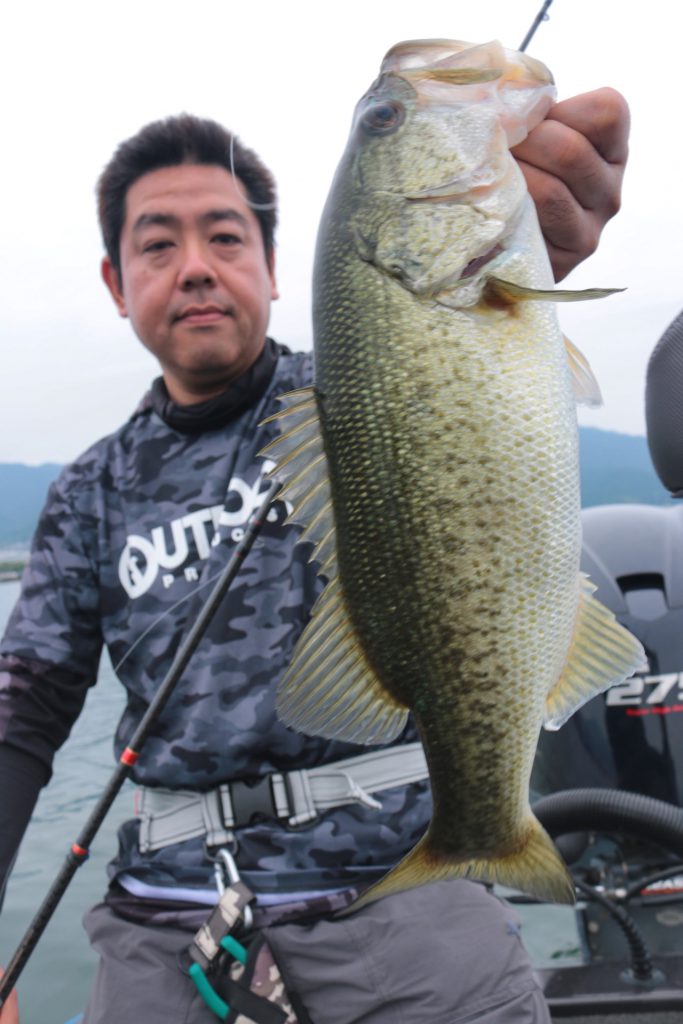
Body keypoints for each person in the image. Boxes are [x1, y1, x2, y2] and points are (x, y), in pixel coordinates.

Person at [0, 86, 630, 1024]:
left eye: (225, 237)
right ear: (116, 283)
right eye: (158, 245)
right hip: (169, 918)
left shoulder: (365, 380)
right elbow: (24, 710)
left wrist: (520, 249)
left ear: (272, 268)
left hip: (404, 881)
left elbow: (462, 349)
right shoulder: (88, 489)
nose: (196, 268)